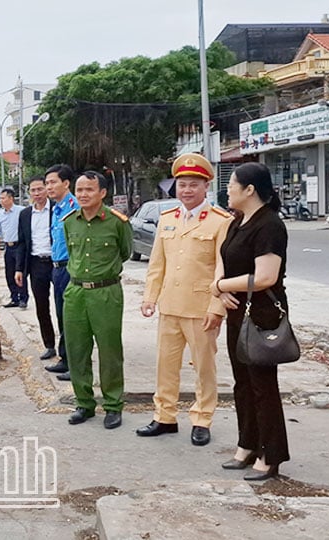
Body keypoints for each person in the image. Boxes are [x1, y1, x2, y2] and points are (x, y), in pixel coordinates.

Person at [138, 153, 232, 446]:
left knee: (204, 368)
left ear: (206, 187)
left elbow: (222, 268)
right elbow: (157, 265)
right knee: (165, 365)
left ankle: (202, 418)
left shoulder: (221, 222)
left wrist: (217, 308)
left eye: (193, 184)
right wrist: (150, 297)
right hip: (170, 306)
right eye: (182, 185)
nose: (187, 190)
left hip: (201, 309)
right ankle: (164, 417)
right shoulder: (168, 219)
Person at [212, 162, 290, 481]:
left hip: (261, 313)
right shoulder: (238, 221)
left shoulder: (270, 225)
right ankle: (247, 444)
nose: (227, 189)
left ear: (249, 190)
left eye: (231, 184)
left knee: (262, 384)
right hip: (236, 310)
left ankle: (271, 455)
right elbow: (221, 258)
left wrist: (220, 287)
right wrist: (219, 288)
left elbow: (266, 276)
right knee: (242, 382)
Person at [63, 171, 132, 429]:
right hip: (76, 292)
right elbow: (72, 253)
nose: (83, 195)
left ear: (102, 193)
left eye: (89, 190)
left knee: (110, 350)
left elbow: (125, 252)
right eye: (79, 190)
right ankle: (84, 403)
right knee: (77, 350)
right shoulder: (70, 221)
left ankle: (113, 405)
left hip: (106, 292)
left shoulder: (118, 222)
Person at [14, 177, 57, 360]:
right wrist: (19, 269)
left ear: (47, 189)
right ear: (28, 192)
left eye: (40, 189)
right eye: (33, 190)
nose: (37, 193)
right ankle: (49, 345)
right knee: (41, 306)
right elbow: (22, 243)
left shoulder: (57, 209)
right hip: (36, 263)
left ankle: (67, 347)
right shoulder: (25, 214)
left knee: (64, 307)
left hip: (57, 263)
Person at [44, 165, 79, 379]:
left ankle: (76, 365)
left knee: (73, 319)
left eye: (53, 182)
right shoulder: (56, 208)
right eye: (47, 183)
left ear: (66, 183)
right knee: (62, 316)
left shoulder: (74, 207)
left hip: (70, 268)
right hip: (56, 268)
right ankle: (65, 359)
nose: (49, 187)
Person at [0, 188, 28, 308]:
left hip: (19, 246)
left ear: (11, 198)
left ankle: (23, 298)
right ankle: (14, 298)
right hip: (8, 247)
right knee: (9, 274)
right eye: (0, 198)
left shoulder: (21, 211)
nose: (1, 201)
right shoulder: (0, 214)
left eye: (3, 198)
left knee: (20, 273)